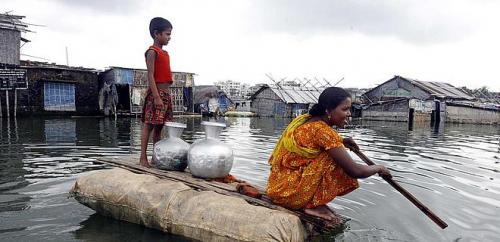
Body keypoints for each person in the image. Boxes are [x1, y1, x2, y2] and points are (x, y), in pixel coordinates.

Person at [266, 87, 391, 220]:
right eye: (345, 109)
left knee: (333, 152)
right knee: (332, 158)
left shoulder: (307, 121)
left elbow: (312, 143)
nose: (349, 114)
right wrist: (380, 168)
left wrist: (341, 141)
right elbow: (355, 171)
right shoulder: (323, 132)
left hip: (277, 188)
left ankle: (313, 201)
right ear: (328, 110)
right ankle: (310, 205)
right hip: (288, 195)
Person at [139, 17, 174, 167]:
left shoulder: (165, 53)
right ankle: (143, 158)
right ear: (156, 34)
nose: (169, 37)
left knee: (159, 127)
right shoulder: (152, 52)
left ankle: (155, 157)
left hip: (165, 95)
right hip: (157, 94)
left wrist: (163, 97)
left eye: (170, 34)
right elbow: (150, 75)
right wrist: (156, 96)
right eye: (167, 34)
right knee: (149, 126)